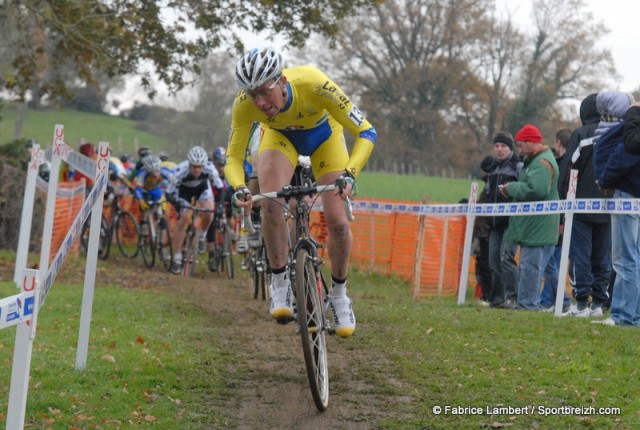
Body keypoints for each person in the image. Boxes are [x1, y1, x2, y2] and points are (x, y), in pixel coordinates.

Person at [225, 47, 377, 338]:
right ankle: (280, 281)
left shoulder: (314, 83)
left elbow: (367, 132)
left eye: (264, 92)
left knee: (339, 223)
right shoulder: (245, 104)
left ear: (281, 81)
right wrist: (239, 187)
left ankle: (340, 295)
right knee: (271, 202)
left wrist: (350, 174)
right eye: (251, 94)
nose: (259, 102)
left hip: (324, 137)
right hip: (280, 139)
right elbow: (233, 158)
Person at [557, 93, 614, 317]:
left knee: (581, 255)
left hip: (580, 205)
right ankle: (599, 304)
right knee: (603, 256)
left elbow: (569, 168)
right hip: (609, 205)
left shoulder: (581, 134)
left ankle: (581, 304)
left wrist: (564, 203)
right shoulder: (614, 131)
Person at [501, 124, 559, 311]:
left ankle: (528, 305)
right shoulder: (537, 160)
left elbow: (537, 190)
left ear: (531, 143)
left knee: (529, 266)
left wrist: (511, 188)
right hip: (535, 223)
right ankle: (528, 303)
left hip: (537, 225)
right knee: (533, 266)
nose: (519, 149)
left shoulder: (541, 163)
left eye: (520, 145)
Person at [593, 97, 639, 326]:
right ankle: (634, 315)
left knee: (624, 259)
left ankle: (622, 316)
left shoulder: (632, 126)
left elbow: (622, 156)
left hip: (627, 195)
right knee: (635, 258)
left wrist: (605, 179)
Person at [165, 146, 221, 274]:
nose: (197, 169)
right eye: (194, 166)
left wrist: (221, 206)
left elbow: (220, 187)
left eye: (200, 167)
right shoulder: (179, 170)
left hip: (202, 188)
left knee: (209, 210)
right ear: (189, 164)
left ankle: (202, 235)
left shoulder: (210, 169)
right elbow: (168, 193)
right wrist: (179, 206)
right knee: (183, 219)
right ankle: (177, 258)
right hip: (184, 191)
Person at [481, 133, 521, 309]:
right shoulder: (491, 170)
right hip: (494, 225)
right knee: (493, 262)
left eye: (503, 146)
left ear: (510, 148)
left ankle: (514, 298)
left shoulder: (517, 167)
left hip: (511, 224)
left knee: (507, 259)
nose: (499, 149)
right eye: (496, 146)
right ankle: (497, 299)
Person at [540, 129, 573, 313]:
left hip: (559, 219)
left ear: (558, 142)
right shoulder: (564, 163)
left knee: (551, 261)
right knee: (552, 261)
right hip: (561, 219)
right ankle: (552, 299)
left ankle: (560, 299)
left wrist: (560, 220)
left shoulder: (562, 166)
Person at [207, 146, 233, 272]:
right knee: (211, 223)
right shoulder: (210, 171)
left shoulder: (229, 170)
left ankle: (229, 228)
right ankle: (211, 253)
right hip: (213, 198)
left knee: (233, 202)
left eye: (223, 165)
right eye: (218, 165)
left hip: (225, 197)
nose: (221, 168)